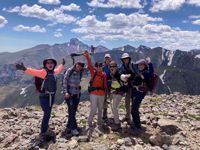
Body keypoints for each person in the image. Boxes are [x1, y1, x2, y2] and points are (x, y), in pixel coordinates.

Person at [15, 58, 65, 136]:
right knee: (47, 113)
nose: (50, 64)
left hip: (52, 96)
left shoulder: (54, 72)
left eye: (51, 63)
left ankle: (45, 126)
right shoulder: (43, 72)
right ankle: (43, 131)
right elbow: (34, 72)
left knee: (48, 112)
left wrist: (62, 64)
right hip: (44, 96)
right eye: (48, 63)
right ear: (45, 65)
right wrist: (24, 69)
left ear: (54, 64)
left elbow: (58, 70)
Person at [84, 50, 107, 128]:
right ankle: (89, 122)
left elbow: (105, 85)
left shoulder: (104, 75)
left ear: (102, 67)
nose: (99, 68)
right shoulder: (93, 73)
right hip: (94, 93)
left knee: (100, 109)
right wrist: (87, 56)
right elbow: (90, 65)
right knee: (94, 109)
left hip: (102, 94)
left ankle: (99, 123)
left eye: (100, 66)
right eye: (97, 66)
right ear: (96, 67)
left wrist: (106, 94)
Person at [131, 57, 154, 131]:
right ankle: (135, 123)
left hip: (140, 93)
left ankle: (137, 127)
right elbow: (134, 66)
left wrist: (150, 63)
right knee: (134, 108)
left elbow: (151, 73)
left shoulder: (146, 73)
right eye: (139, 65)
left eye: (142, 65)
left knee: (134, 108)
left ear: (145, 66)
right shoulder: (139, 72)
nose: (140, 66)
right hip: (135, 92)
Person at [63, 62, 85, 136]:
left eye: (81, 66)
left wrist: (88, 56)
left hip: (77, 94)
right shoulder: (70, 71)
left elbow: (89, 67)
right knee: (72, 111)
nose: (79, 67)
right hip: (69, 94)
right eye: (78, 65)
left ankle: (68, 126)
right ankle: (73, 128)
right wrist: (65, 92)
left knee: (73, 111)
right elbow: (65, 81)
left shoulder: (81, 72)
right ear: (75, 65)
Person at [108, 61, 128, 131]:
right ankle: (116, 120)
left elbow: (125, 86)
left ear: (116, 67)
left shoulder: (119, 75)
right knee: (112, 107)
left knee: (114, 107)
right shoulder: (110, 74)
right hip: (112, 92)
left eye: (114, 66)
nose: (112, 68)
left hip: (119, 93)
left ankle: (117, 124)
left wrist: (117, 90)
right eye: (111, 66)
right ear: (109, 67)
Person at [119, 53, 137, 123]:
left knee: (133, 102)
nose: (125, 60)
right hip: (127, 87)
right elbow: (120, 73)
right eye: (124, 59)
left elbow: (136, 74)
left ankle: (132, 117)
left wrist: (129, 76)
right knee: (127, 102)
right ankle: (128, 116)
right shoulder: (122, 67)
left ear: (129, 59)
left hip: (133, 86)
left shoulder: (132, 65)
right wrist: (123, 76)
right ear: (122, 60)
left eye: (126, 59)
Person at [103, 54, 112, 120]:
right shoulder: (103, 67)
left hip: (112, 86)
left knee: (112, 99)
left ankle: (114, 112)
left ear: (110, 59)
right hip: (105, 86)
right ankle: (105, 114)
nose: (107, 59)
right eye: (106, 58)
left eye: (108, 58)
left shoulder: (113, 66)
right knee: (105, 99)